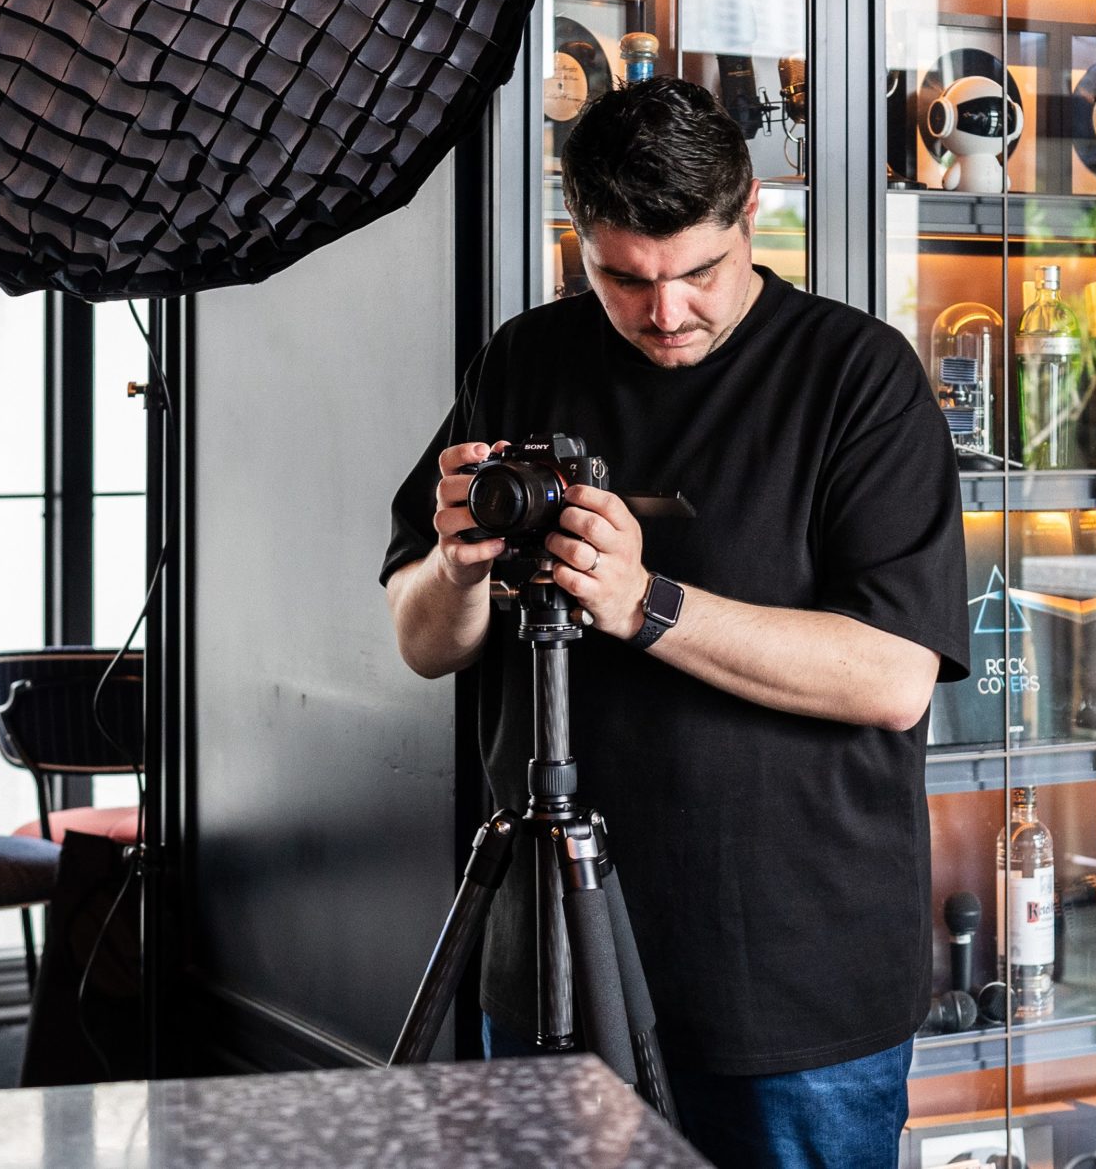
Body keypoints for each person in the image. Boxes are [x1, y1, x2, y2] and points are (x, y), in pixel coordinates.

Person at [381, 77, 968, 1169]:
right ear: (579, 239)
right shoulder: (525, 359)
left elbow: (893, 677)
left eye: (698, 272)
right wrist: (456, 569)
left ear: (751, 214)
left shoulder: (856, 374)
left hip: (791, 986)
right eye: (624, 278)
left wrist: (644, 603)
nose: (665, 312)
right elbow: (421, 642)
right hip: (552, 963)